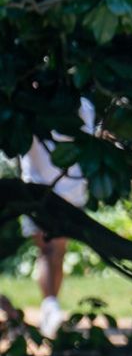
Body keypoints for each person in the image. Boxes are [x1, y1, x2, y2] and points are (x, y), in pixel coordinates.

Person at [17, 97, 96, 340]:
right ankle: (50, 304)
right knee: (54, 250)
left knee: (51, 251)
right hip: (53, 187)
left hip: (53, 187)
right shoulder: (79, 106)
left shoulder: (29, 106)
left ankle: (50, 303)